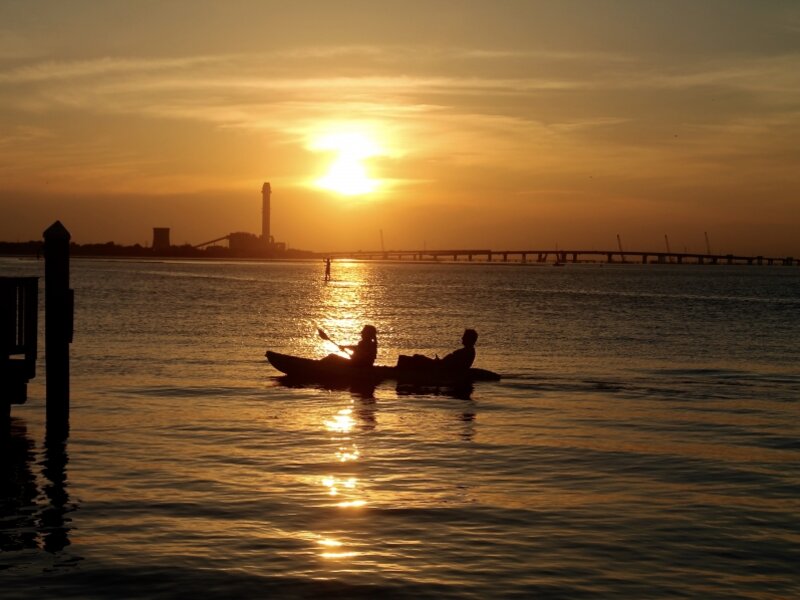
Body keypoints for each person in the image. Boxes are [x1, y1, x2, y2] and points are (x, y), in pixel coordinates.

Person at [397, 329, 478, 371]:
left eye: (464, 336)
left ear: (469, 339)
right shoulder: (468, 351)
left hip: (440, 368)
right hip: (441, 365)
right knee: (418, 357)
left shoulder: (465, 352)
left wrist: (439, 362)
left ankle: (397, 371)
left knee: (418, 357)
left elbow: (451, 365)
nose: (462, 338)